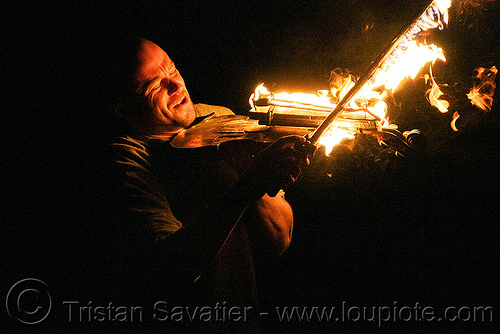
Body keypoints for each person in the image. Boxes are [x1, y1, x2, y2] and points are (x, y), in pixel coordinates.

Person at [65, 36, 309, 332]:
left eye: (173, 69)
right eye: (155, 85)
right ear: (122, 108)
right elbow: (169, 271)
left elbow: (279, 240)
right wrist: (247, 186)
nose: (176, 85)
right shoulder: (123, 161)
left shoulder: (221, 119)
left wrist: (259, 186)